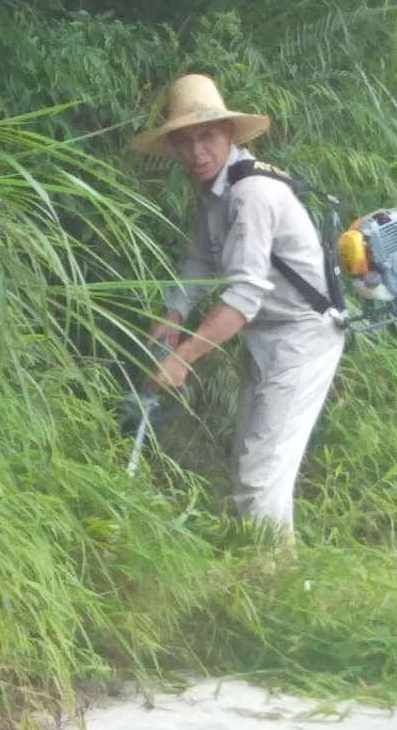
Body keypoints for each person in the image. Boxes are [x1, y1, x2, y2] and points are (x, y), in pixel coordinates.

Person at [130, 73, 345, 546]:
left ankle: (271, 589)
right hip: (268, 337)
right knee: (254, 460)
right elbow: (200, 258)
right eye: (183, 142)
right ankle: (274, 574)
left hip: (302, 338)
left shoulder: (252, 194)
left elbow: (243, 298)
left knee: (258, 474)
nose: (196, 152)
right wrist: (172, 313)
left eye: (206, 136)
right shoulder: (213, 191)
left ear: (229, 134)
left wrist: (181, 357)